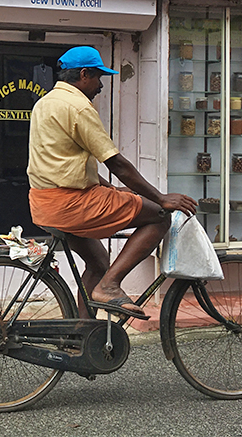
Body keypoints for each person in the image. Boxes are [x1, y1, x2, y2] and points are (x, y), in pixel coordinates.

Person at [27, 46, 196, 318]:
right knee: (159, 217)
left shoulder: (44, 103)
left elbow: (67, 163)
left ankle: (80, 335)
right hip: (72, 205)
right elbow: (116, 163)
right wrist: (161, 197)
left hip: (44, 203)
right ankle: (110, 286)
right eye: (98, 78)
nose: (100, 86)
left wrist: (112, 190)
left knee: (98, 262)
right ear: (84, 75)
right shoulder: (79, 107)